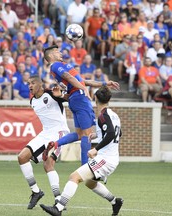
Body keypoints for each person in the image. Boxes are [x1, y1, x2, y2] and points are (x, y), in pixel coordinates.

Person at [40, 86, 123, 216]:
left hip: (106, 159)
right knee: (90, 183)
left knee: (74, 177)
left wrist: (96, 149)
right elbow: (118, 133)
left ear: (95, 99)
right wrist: (97, 135)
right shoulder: (114, 115)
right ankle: (115, 202)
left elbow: (111, 133)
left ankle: (59, 208)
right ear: (109, 99)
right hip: (110, 158)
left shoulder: (103, 116)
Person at [42, 45, 119, 165]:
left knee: (80, 134)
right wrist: (83, 88)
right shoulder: (56, 65)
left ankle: (55, 144)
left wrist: (105, 83)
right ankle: (85, 167)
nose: (61, 53)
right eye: (57, 52)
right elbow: (69, 77)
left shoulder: (61, 66)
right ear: (51, 56)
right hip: (80, 98)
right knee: (87, 135)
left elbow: (84, 81)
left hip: (75, 99)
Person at [17, 75, 70, 209]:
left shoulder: (52, 93)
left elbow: (71, 99)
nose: (30, 85)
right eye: (28, 83)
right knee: (22, 157)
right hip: (45, 133)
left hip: (59, 133)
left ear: (41, 84)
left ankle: (58, 200)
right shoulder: (32, 101)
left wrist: (62, 95)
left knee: (48, 165)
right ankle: (36, 191)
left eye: (33, 83)